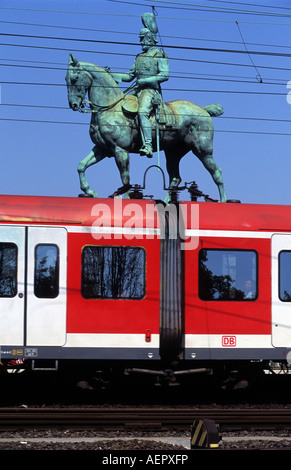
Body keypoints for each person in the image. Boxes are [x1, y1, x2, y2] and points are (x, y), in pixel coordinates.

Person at [107, 13, 169, 158]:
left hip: (151, 91)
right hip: (137, 90)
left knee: (142, 112)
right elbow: (129, 77)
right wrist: (111, 75)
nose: (141, 41)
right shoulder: (139, 57)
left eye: (143, 39)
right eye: (140, 39)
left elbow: (165, 75)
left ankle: (147, 144)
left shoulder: (159, 54)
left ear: (150, 39)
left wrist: (146, 81)